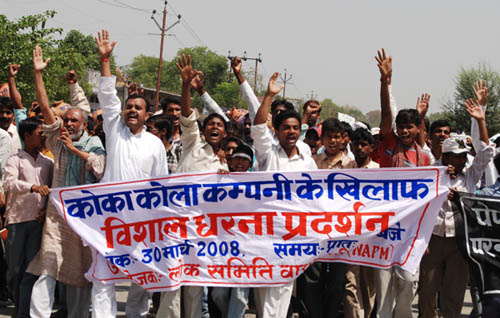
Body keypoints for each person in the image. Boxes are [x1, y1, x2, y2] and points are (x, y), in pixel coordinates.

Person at [91, 29, 169, 318]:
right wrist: (105, 59)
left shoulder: (154, 145)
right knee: (103, 276)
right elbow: (108, 96)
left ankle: (136, 314)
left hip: (142, 222)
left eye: (138, 108)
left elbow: (160, 185)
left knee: (141, 278)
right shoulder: (115, 132)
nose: (132, 110)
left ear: (148, 115)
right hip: (109, 219)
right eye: (129, 107)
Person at [27, 45, 106, 318]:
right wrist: (38, 75)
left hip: (84, 217)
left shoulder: (93, 142)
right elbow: (47, 109)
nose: (69, 124)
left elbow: (99, 168)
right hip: (58, 215)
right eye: (66, 120)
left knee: (80, 274)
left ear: (83, 125)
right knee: (47, 267)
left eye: (74, 121)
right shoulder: (57, 141)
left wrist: (75, 150)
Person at [418, 98, 494, 318]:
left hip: (460, 242)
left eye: (463, 157)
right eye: (456, 157)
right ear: (446, 157)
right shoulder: (432, 173)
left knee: (454, 294)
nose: (461, 161)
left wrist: (480, 121)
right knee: (427, 293)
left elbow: (487, 153)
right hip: (432, 239)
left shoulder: (470, 176)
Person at [251, 72, 317, 318]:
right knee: (265, 287)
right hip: (265, 231)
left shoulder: (307, 162)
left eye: (295, 128)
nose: (291, 132)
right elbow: (258, 127)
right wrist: (268, 96)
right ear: (276, 131)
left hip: (293, 235)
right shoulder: (268, 154)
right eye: (286, 128)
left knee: (283, 288)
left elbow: (315, 199)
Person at [374, 48, 430, 318]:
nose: (405, 131)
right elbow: (386, 112)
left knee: (407, 282)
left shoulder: (425, 158)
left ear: (418, 129)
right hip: (385, 230)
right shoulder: (388, 145)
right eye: (401, 127)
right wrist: (385, 83)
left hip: (412, 234)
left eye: (411, 127)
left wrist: (425, 235)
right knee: (383, 290)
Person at [3, 117, 53, 317]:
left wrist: (46, 210)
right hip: (17, 221)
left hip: (38, 221)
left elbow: (52, 191)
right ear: (27, 135)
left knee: (31, 270)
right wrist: (32, 187)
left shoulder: (48, 163)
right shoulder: (15, 159)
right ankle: (18, 304)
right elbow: (9, 183)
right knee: (15, 269)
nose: (43, 137)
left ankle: (24, 311)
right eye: (40, 133)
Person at [211, 143, 254, 318]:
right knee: (218, 293)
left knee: (240, 295)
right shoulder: (221, 179)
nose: (239, 163)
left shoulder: (258, 182)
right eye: (236, 159)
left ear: (250, 164)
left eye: (244, 160)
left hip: (247, 247)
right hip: (223, 245)